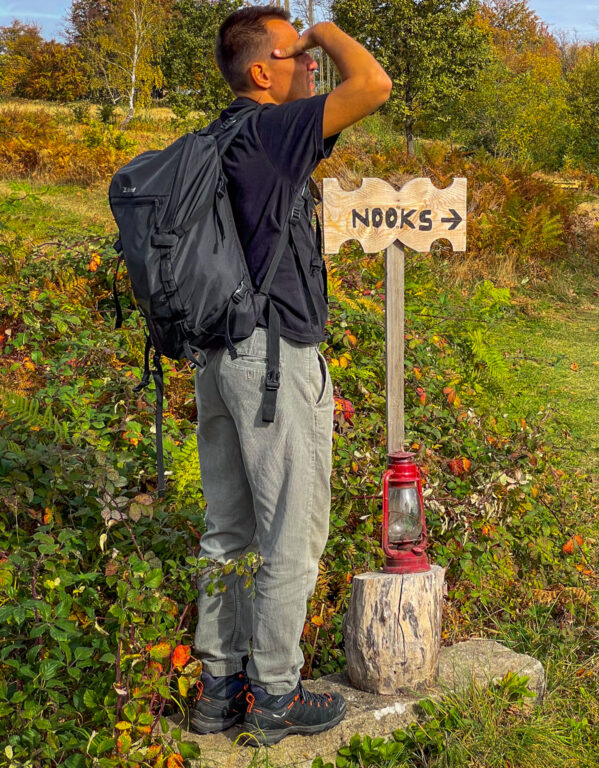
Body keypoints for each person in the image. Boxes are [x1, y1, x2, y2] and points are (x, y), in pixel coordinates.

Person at [184, 5, 391, 746]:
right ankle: (275, 692)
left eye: (308, 51)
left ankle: (218, 689)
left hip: (217, 358)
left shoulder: (217, 138)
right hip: (271, 360)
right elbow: (373, 84)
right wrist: (324, 29)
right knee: (290, 533)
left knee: (228, 531)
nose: (309, 64)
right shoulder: (272, 131)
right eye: (294, 53)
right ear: (260, 71)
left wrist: (299, 45)